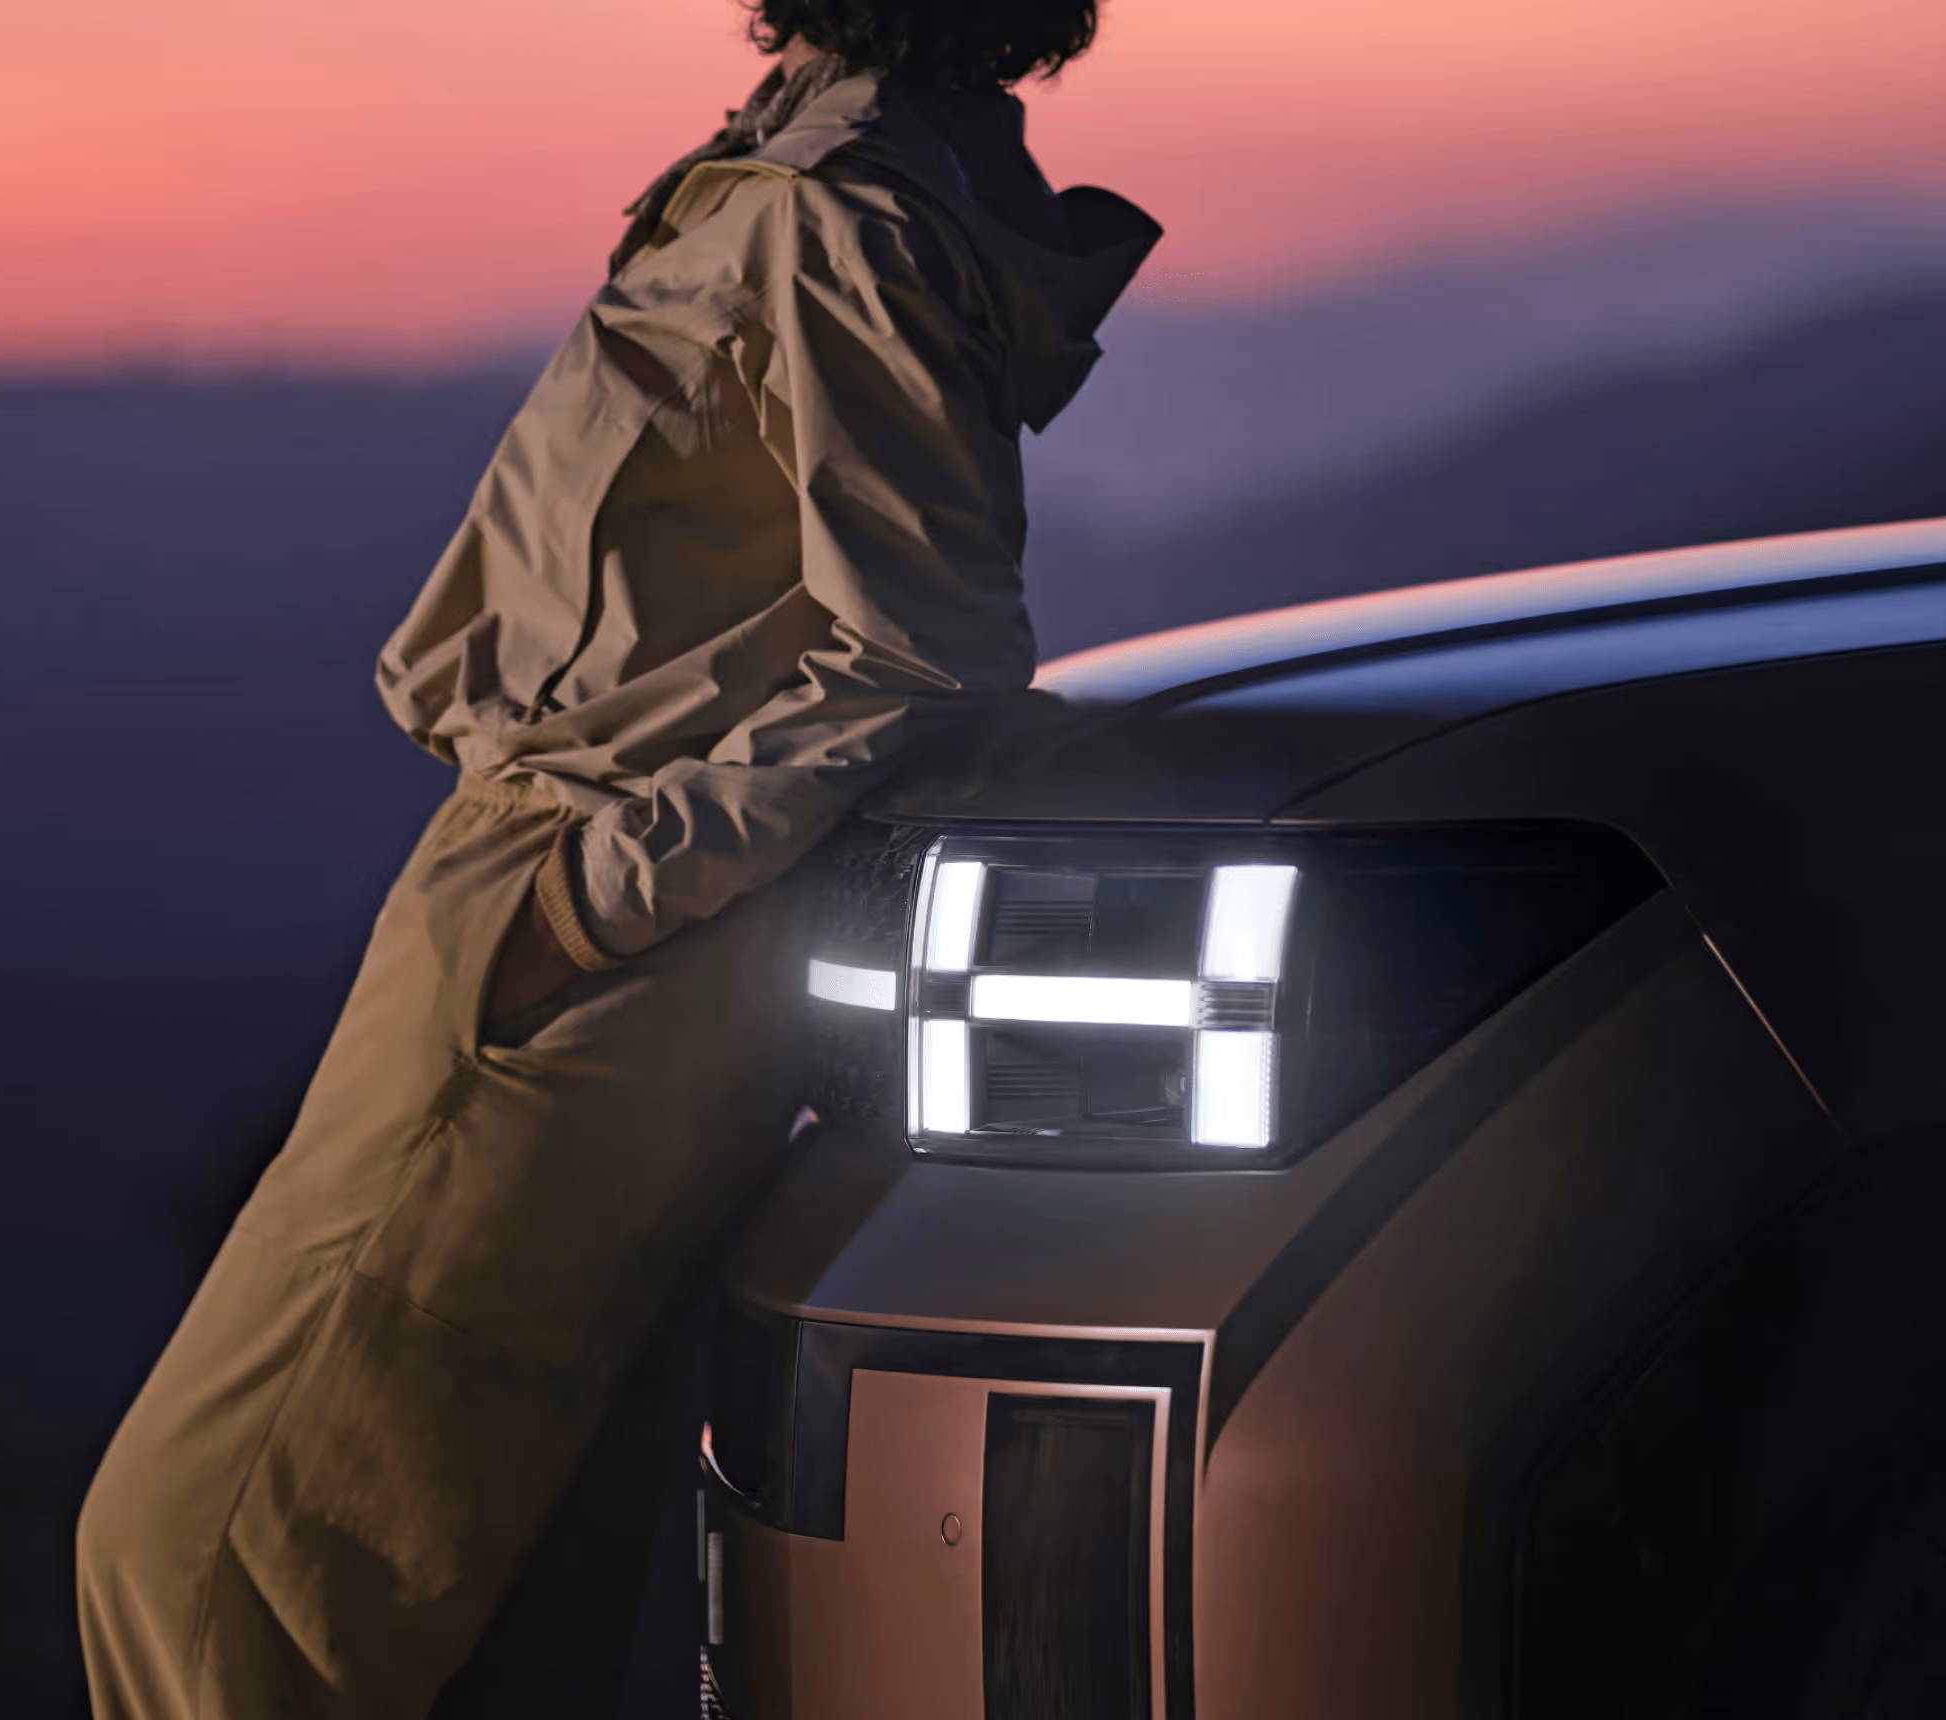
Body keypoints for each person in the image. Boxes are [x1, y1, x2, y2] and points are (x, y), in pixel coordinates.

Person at [73, 2, 1158, 1714]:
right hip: (573, 907)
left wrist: (586, 910)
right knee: (486, 1563)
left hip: (590, 915)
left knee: (225, 1571)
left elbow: (925, 651)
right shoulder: (823, 165)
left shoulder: (832, 206)